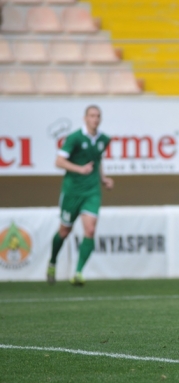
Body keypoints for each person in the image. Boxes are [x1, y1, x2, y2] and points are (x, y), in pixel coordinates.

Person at [47, 105, 113, 286]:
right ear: (85, 118)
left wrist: (103, 179)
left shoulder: (104, 139)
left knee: (90, 230)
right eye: (92, 115)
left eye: (98, 116)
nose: (95, 119)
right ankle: (52, 261)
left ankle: (78, 273)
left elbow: (97, 160)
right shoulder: (75, 137)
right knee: (64, 231)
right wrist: (79, 169)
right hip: (72, 191)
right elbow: (59, 161)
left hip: (92, 191)